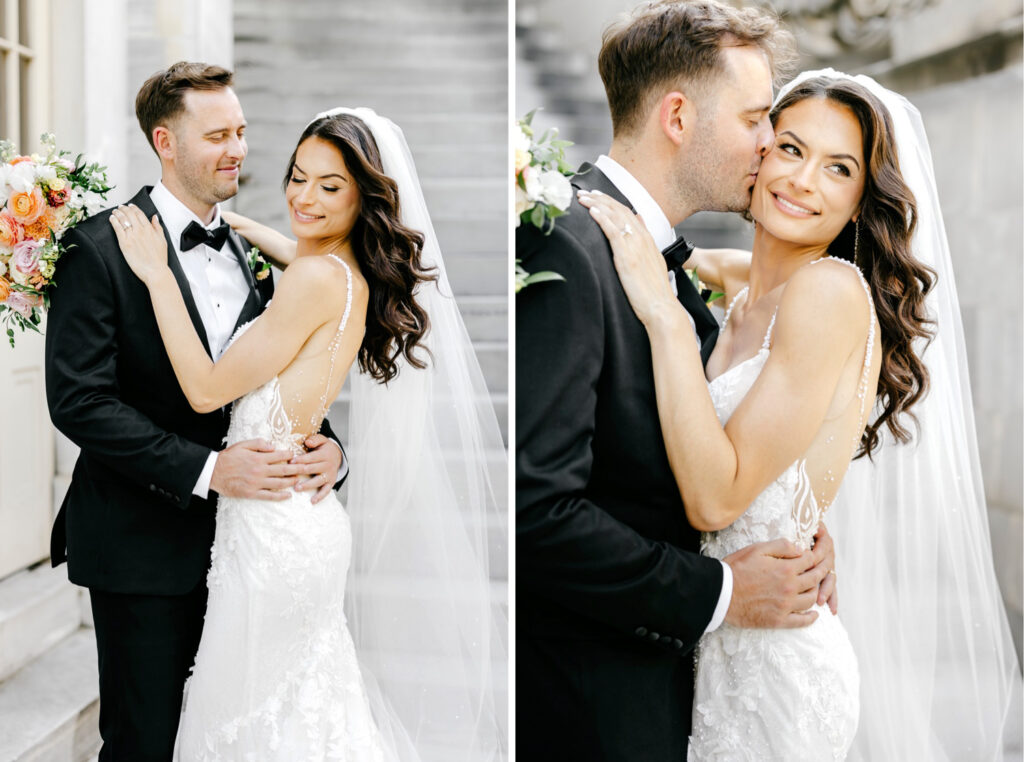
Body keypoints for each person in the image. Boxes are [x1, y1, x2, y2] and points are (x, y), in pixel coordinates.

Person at [579, 70, 1022, 760]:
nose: (803, 180)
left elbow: (716, 497)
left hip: (776, 672)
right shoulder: (751, 289)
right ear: (757, 153)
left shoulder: (827, 292)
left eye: (838, 168)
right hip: (713, 643)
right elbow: (706, 263)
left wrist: (663, 316)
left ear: (858, 202)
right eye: (791, 149)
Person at [111, 107, 505, 760]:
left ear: (365, 197)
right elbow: (304, 260)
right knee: (300, 717)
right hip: (294, 520)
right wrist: (243, 226)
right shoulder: (351, 273)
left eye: (331, 187)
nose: (304, 196)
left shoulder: (316, 280)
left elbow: (208, 389)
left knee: (251, 720)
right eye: (298, 176)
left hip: (273, 537)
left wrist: (157, 276)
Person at [516, 2, 839, 759]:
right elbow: (538, 509)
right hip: (591, 702)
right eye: (756, 119)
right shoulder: (567, 246)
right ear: (677, 115)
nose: (770, 145)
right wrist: (723, 590)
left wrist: (788, 525)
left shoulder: (661, 264)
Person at [44, 61, 347, 761]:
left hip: (252, 550)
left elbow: (276, 376)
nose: (237, 148)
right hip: (141, 547)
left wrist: (327, 445)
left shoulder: (258, 248)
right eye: (217, 135)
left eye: (240, 131)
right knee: (144, 743)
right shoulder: (97, 248)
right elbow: (79, 400)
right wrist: (209, 469)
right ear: (165, 142)